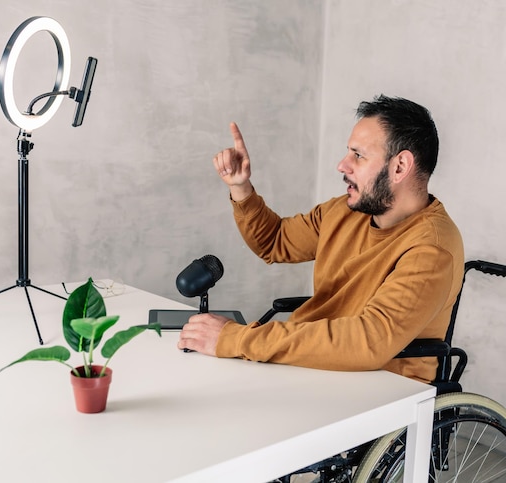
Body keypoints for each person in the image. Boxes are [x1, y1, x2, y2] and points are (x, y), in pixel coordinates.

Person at [177, 95, 464, 384]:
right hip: (316, 370)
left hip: (380, 390)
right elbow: (275, 241)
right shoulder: (346, 211)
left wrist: (236, 339)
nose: (342, 165)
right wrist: (241, 187)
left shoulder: (432, 248)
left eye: (358, 155)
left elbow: (368, 342)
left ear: (400, 166)